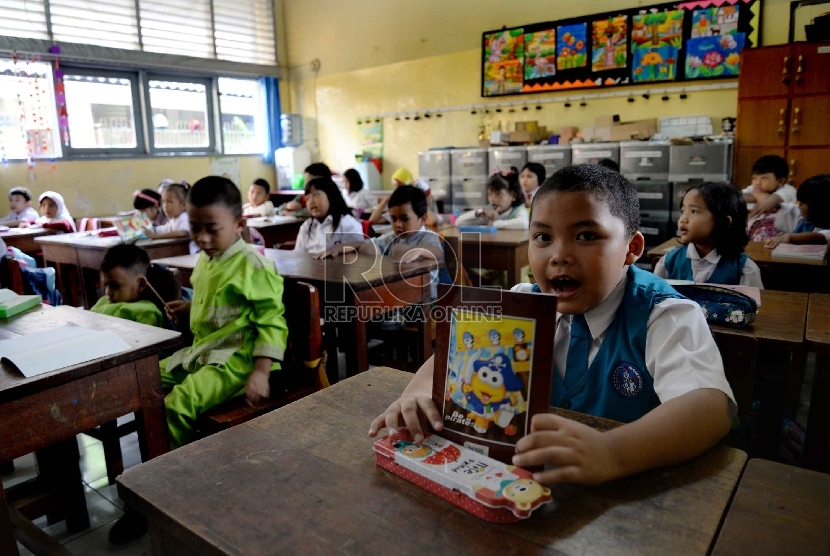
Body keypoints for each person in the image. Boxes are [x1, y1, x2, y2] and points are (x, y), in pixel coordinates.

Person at [369, 164, 735, 486]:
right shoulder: (520, 301)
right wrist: (415, 395)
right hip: (526, 490)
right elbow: (452, 354)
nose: (559, 255)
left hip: (633, 494)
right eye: (543, 237)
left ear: (632, 247)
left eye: (587, 235)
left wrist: (613, 452)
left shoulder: (664, 314)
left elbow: (708, 407)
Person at [110, 176, 290, 546]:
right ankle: (154, 469)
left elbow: (272, 322)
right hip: (203, 352)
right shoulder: (207, 261)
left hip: (236, 361)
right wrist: (191, 307)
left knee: (178, 404)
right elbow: (225, 303)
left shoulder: (254, 265)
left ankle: (164, 494)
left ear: (239, 224)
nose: (203, 238)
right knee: (142, 384)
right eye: (196, 229)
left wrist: (260, 372)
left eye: (213, 229)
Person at [323, 185, 444, 300]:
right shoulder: (392, 237)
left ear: (422, 219)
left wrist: (420, 250)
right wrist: (339, 248)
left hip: (423, 295)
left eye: (404, 219)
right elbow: (364, 244)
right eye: (393, 219)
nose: (398, 224)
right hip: (398, 290)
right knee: (368, 249)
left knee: (397, 250)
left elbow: (438, 253)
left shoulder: (428, 237)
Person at [655, 182, 763, 287]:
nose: (683, 219)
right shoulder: (668, 262)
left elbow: (754, 304)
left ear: (724, 222)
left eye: (694, 211)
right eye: (683, 211)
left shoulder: (744, 269)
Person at [90, 244, 163, 327]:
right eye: (105, 285)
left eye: (115, 286)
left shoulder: (146, 312)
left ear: (141, 284)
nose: (108, 293)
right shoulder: (103, 301)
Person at [293, 177, 364, 258]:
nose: (311, 202)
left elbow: (355, 255)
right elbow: (298, 254)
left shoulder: (347, 223)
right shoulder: (306, 226)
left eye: (316, 195)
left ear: (331, 196)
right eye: (307, 198)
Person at [764, 174, 830, 248]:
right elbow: (787, 207)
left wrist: (789, 237)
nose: (799, 207)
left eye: (802, 204)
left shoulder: (826, 231)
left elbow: (819, 237)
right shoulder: (804, 220)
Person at [369, 167, 439, 227]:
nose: (398, 189)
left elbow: (432, 221)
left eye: (400, 186)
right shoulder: (398, 207)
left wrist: (421, 200)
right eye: (396, 186)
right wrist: (385, 200)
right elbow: (372, 221)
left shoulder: (418, 204)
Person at [455, 172, 529, 229]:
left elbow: (523, 223)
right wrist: (478, 212)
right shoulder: (489, 211)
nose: (493, 199)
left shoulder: (518, 210)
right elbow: (459, 222)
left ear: (513, 196)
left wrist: (494, 224)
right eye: (490, 194)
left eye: (498, 194)